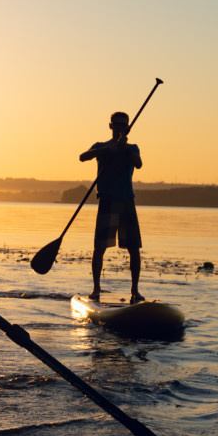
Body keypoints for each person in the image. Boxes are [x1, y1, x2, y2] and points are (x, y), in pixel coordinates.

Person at [80, 111, 145, 303]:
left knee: (134, 248)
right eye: (116, 124)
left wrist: (123, 149)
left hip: (126, 202)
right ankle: (96, 289)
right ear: (110, 126)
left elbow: (139, 164)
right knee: (99, 247)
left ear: (127, 128)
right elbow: (83, 157)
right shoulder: (101, 146)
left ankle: (135, 291)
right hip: (107, 201)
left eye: (123, 125)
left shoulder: (132, 148)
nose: (119, 128)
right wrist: (108, 149)